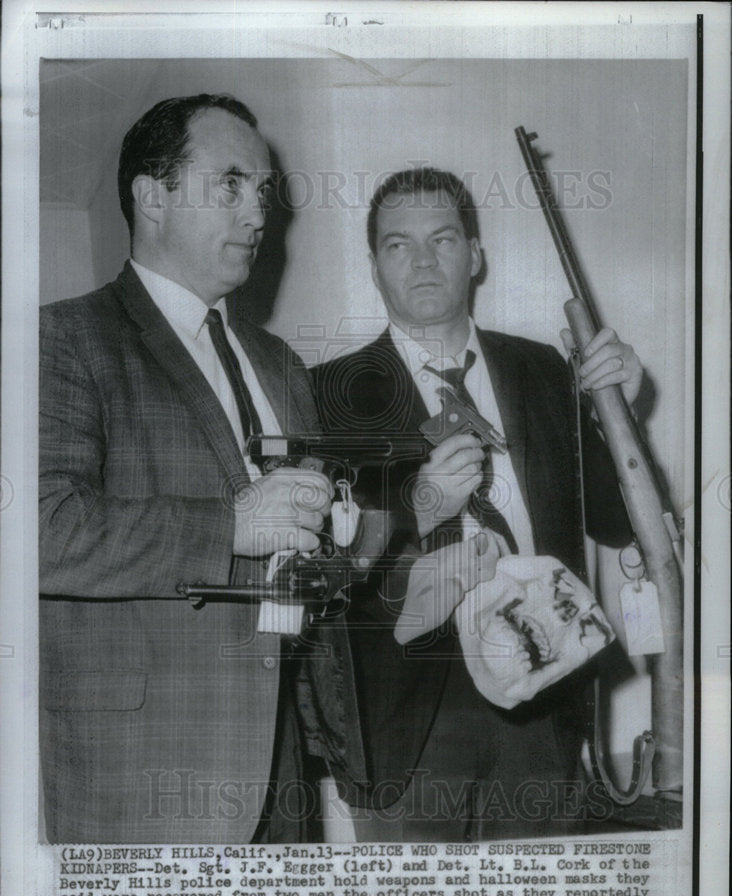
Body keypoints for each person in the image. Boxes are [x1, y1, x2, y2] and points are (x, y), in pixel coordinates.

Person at [39, 94, 365, 844]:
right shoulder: (65, 339)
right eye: (232, 184)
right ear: (153, 196)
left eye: (262, 192)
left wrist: (350, 532)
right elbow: (39, 529)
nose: (258, 214)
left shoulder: (280, 363)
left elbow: (314, 550)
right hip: (145, 771)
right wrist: (231, 525)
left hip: (284, 764)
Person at [315, 167, 642, 841]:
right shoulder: (324, 393)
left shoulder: (546, 371)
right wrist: (419, 503)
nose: (424, 260)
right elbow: (323, 563)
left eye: (443, 238)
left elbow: (612, 521)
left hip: (541, 693)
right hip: (407, 724)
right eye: (398, 245)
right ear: (374, 266)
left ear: (476, 254)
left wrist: (618, 412)